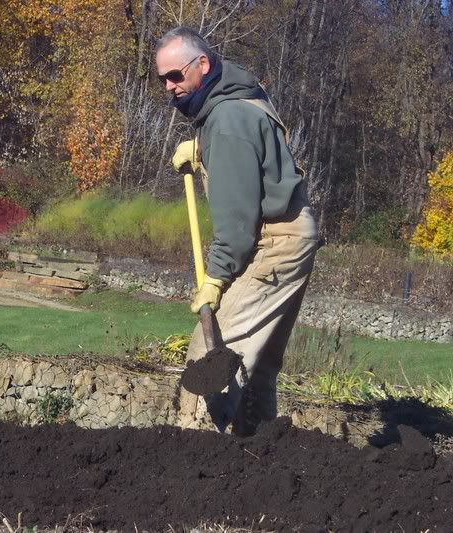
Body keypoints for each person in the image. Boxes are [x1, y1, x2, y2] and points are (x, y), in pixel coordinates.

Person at [155, 27, 319, 436]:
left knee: (209, 356)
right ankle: (259, 453)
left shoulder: (226, 119)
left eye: (176, 75)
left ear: (203, 65)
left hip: (275, 240)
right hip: (292, 232)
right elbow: (258, 154)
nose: (170, 87)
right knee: (258, 365)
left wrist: (216, 277)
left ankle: (198, 455)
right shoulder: (238, 96)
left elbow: (237, 224)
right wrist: (202, 148)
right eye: (163, 80)